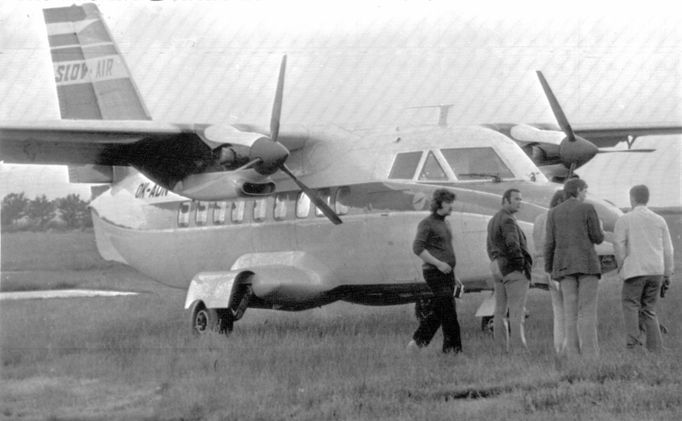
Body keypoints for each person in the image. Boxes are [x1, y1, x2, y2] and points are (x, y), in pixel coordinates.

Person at [545, 178, 604, 358]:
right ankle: (590, 355)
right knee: (587, 312)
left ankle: (573, 354)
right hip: (587, 265)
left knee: (569, 314)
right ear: (578, 190)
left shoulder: (553, 213)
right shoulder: (587, 208)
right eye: (585, 191)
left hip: (563, 268)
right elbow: (597, 237)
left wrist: (549, 269)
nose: (585, 194)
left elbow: (549, 243)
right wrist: (600, 229)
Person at [613, 185, 674, 353]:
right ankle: (656, 348)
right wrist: (667, 273)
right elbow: (668, 249)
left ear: (632, 198)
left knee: (631, 305)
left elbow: (619, 245)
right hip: (656, 271)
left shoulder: (625, 219)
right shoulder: (659, 220)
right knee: (649, 309)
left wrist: (621, 266)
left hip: (635, 270)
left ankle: (634, 345)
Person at [407, 189, 463, 354]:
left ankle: (416, 344)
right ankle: (453, 351)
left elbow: (446, 249)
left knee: (441, 310)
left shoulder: (446, 223)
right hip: (434, 272)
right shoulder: (426, 223)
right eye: (449, 202)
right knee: (449, 311)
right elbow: (417, 248)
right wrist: (438, 264)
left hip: (447, 273)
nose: (452, 206)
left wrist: (454, 275)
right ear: (440, 203)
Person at [487, 188, 533, 352]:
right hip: (513, 269)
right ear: (505, 200)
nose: (519, 202)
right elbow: (512, 243)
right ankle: (519, 349)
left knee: (499, 311)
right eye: (516, 199)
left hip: (498, 267)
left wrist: (495, 262)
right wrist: (520, 264)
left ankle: (500, 348)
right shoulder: (508, 220)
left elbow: (490, 246)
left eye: (520, 199)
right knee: (516, 312)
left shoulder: (493, 220)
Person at [532, 190, 566, 355]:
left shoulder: (539, 219)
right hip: (560, 266)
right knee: (572, 310)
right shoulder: (558, 218)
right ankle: (569, 347)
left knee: (558, 312)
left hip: (545, 268)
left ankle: (558, 347)